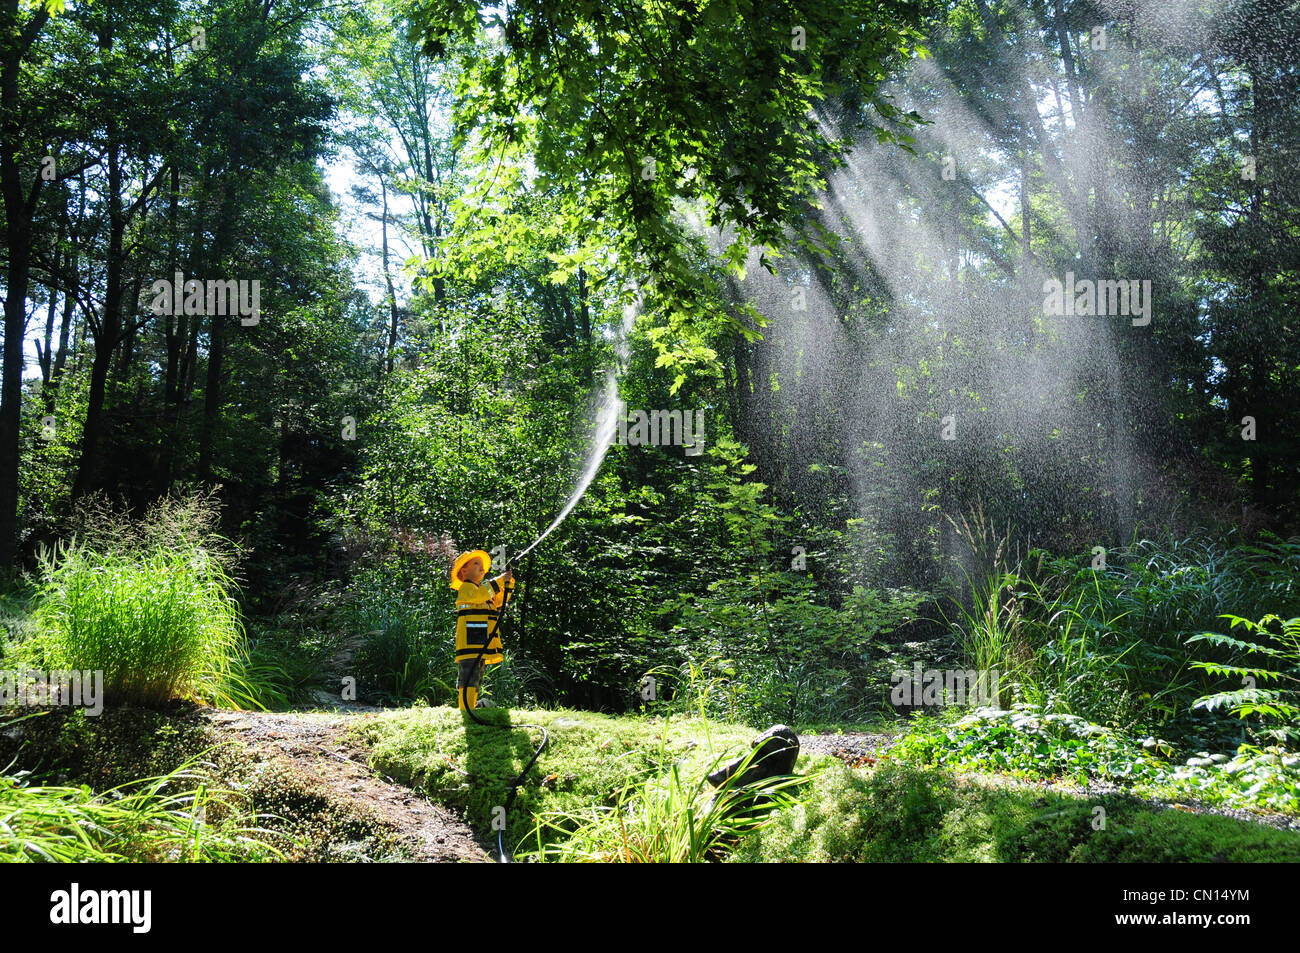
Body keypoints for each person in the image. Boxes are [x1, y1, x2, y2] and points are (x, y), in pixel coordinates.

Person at [449, 550, 515, 710]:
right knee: (468, 674)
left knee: (477, 676)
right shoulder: (466, 589)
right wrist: (499, 580)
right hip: (470, 640)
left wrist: (509, 581)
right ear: (464, 571)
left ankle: (470, 706)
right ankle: (465, 709)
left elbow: (499, 600)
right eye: (476, 563)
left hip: (479, 639)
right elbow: (478, 596)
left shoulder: (483, 591)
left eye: (482, 564)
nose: (482, 568)